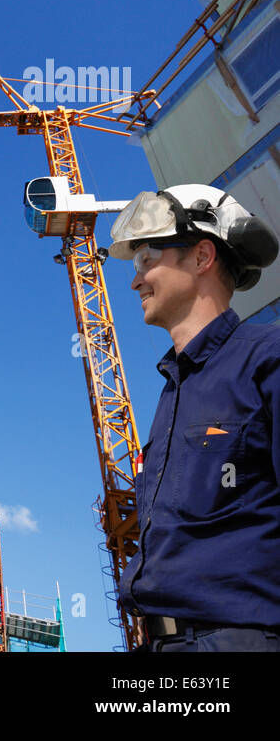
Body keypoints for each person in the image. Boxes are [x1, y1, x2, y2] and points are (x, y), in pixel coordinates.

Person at [109, 184, 280, 652]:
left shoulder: (267, 357)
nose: (135, 280)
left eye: (148, 260)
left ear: (202, 256)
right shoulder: (174, 390)